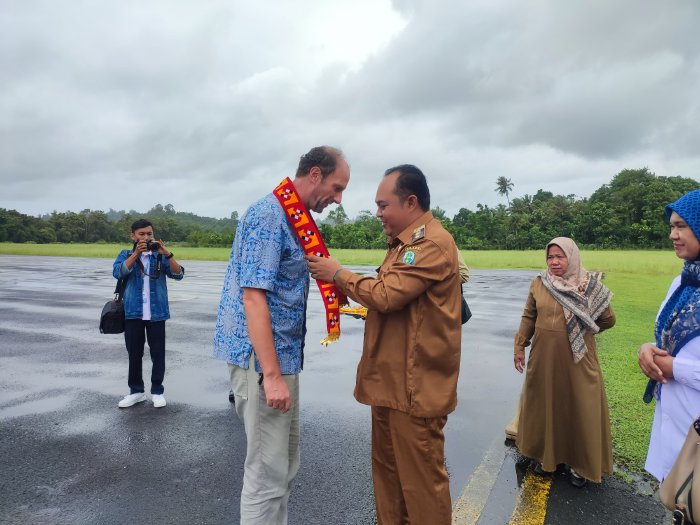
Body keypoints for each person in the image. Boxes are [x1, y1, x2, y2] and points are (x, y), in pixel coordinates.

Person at [307, 164, 461, 525]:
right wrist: (356, 299)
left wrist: (338, 274)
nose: (377, 214)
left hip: (415, 388)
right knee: (388, 475)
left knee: (421, 483)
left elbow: (389, 295)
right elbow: (396, 306)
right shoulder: (403, 244)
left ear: (410, 202)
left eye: (382, 205)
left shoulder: (430, 244)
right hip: (392, 384)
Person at [213, 146, 350, 525]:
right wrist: (271, 377)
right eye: (337, 187)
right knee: (265, 474)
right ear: (316, 175)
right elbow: (253, 297)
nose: (338, 199)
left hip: (281, 359)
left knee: (284, 469)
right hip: (263, 365)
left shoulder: (294, 217)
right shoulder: (270, 215)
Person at [513, 237, 615, 487]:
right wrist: (519, 345)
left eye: (560, 256)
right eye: (550, 257)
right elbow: (529, 315)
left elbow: (608, 320)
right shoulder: (540, 283)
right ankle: (547, 458)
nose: (554, 262)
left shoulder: (589, 286)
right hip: (544, 357)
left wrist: (581, 330)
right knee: (546, 404)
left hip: (578, 358)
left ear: (572, 257)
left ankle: (580, 465)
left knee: (580, 405)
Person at [638, 189, 700, 482]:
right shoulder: (683, 281)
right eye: (671, 226)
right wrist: (647, 349)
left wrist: (674, 368)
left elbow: (679, 360)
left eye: (681, 226)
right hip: (678, 429)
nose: (672, 235)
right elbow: (666, 340)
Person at [113, 218, 184, 408]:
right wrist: (136, 254)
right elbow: (118, 272)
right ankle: (136, 391)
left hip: (156, 313)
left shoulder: (159, 256)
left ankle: (157, 391)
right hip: (133, 313)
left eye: (149, 234)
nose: (146, 237)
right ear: (133, 236)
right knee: (134, 354)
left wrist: (166, 253)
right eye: (141, 234)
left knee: (158, 353)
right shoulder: (125, 254)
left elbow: (179, 274)